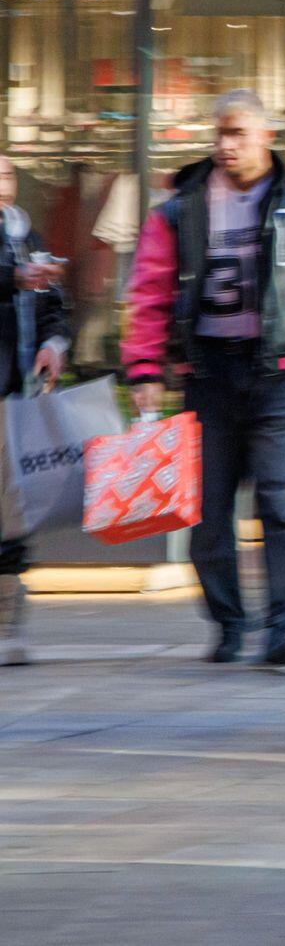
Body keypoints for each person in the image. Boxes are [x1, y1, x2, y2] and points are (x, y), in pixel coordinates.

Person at [122, 90, 285, 666]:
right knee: (209, 511)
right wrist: (144, 367)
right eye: (220, 134)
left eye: (238, 134)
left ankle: (282, 628)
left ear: (266, 138)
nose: (226, 145)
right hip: (209, 375)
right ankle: (228, 624)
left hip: (278, 375)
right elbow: (149, 291)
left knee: (280, 502)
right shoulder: (180, 209)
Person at [0, 154, 70, 666]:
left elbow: (54, 303)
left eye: (6, 172)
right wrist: (15, 278)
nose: (2, 180)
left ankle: (8, 622)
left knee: (12, 509)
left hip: (15, 396)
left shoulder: (24, 233)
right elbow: (18, 280)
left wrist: (54, 341)